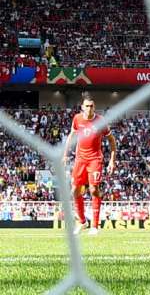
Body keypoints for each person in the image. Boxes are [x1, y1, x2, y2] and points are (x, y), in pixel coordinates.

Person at [62, 92, 116, 236]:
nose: (89, 108)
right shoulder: (77, 119)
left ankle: (95, 225)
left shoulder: (101, 121)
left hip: (95, 159)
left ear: (94, 107)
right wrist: (65, 154)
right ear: (82, 107)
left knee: (93, 190)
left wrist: (112, 160)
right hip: (80, 159)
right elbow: (71, 136)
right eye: (87, 106)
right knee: (74, 191)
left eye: (92, 106)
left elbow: (111, 140)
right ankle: (83, 221)